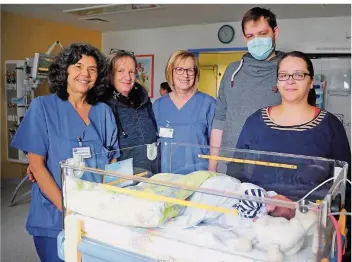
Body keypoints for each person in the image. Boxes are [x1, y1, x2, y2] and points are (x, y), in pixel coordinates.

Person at [235, 51, 351, 261]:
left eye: (298, 75)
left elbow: (344, 183)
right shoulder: (255, 122)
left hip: (309, 230)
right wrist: (265, 200)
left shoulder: (330, 125)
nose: (290, 81)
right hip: (258, 225)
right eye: (284, 75)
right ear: (277, 81)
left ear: (311, 81)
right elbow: (237, 173)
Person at [11, 43, 120, 262]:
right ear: (65, 71)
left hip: (96, 215)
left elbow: (113, 162)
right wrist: (69, 209)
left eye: (92, 69)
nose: (85, 74)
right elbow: (37, 166)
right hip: (55, 215)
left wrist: (109, 207)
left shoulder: (104, 112)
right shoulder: (42, 107)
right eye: (78, 66)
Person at [209, 7, 282, 172]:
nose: (256, 40)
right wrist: (212, 168)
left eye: (262, 34)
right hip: (228, 165)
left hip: (269, 167)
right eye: (250, 36)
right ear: (245, 39)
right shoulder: (232, 71)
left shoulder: (287, 72)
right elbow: (220, 118)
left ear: (275, 33)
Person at [153, 50, 216, 174]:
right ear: (171, 72)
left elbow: (216, 147)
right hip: (165, 177)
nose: (185, 75)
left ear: (196, 73)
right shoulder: (159, 105)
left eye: (190, 70)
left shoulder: (208, 104)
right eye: (179, 69)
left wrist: (212, 174)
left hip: (199, 177)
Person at [102, 49, 159, 173]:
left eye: (131, 72)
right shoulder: (103, 107)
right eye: (120, 71)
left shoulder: (145, 102)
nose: (127, 77)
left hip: (152, 176)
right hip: (123, 181)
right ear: (110, 75)